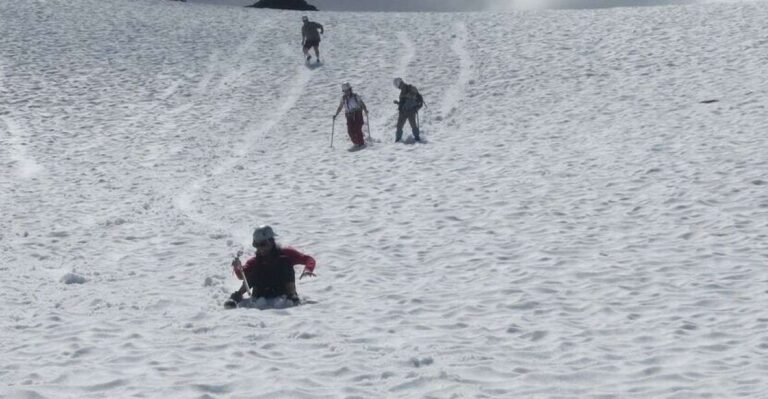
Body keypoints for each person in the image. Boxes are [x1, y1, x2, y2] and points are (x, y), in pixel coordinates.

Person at [227, 225, 316, 307]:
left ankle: (292, 295)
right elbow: (242, 276)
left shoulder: (286, 253)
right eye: (256, 245)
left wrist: (308, 269)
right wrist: (237, 268)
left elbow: (308, 259)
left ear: (271, 241)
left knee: (285, 262)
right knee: (255, 270)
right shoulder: (255, 261)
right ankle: (236, 296)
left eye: (263, 244)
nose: (260, 248)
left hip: (283, 289)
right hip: (262, 292)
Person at [333, 82, 369, 149]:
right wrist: (336, 114)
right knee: (350, 131)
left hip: (357, 113)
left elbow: (362, 103)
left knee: (357, 128)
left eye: (348, 90)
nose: (347, 92)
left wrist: (365, 110)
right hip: (349, 115)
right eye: (345, 91)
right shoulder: (343, 98)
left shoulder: (355, 96)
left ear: (350, 89)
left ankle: (361, 143)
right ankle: (356, 143)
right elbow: (340, 107)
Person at [392, 77, 423, 143]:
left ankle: (417, 138)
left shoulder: (410, 88)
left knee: (411, 125)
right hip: (404, 111)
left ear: (400, 82)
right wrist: (398, 103)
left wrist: (407, 97)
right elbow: (404, 102)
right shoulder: (403, 91)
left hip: (410, 111)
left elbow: (412, 96)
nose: (398, 87)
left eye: (397, 84)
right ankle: (398, 140)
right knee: (400, 126)